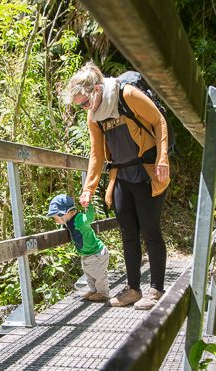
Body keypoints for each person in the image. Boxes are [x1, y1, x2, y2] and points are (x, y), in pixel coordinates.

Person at [62, 62, 170, 310]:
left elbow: (159, 121)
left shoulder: (126, 95)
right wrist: (89, 187)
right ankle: (133, 289)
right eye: (79, 105)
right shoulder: (94, 117)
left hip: (147, 170)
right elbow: (97, 154)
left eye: (85, 102)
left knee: (150, 230)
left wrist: (163, 157)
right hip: (121, 175)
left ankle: (156, 289)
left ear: (97, 89)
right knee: (128, 233)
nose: (84, 108)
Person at [47, 194, 110, 302]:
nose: (55, 220)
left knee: (98, 274)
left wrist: (88, 205)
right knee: (89, 273)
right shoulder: (68, 222)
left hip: (96, 253)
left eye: (55, 216)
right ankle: (94, 290)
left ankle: (103, 293)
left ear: (64, 213)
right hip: (87, 254)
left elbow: (89, 218)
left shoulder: (79, 219)